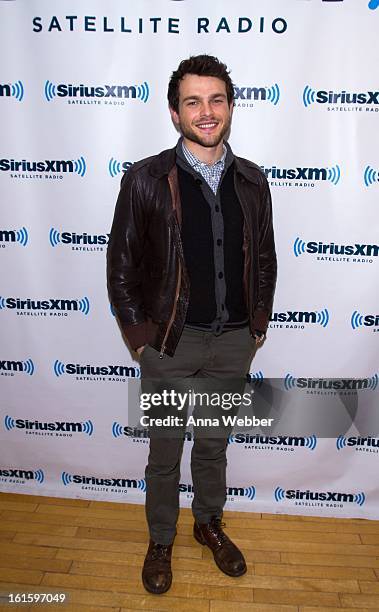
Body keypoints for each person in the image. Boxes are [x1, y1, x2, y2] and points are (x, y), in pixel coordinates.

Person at [107, 54, 277, 595]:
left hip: (232, 345)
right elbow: (121, 267)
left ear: (231, 106)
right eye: (193, 102)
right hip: (169, 346)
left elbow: (267, 261)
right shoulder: (146, 180)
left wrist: (255, 329)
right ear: (175, 113)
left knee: (213, 445)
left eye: (216, 99)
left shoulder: (252, 181)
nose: (206, 112)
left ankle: (208, 524)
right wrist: (143, 345)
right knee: (163, 452)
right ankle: (161, 538)